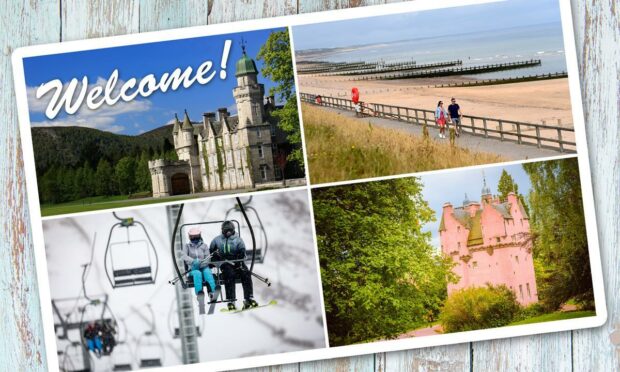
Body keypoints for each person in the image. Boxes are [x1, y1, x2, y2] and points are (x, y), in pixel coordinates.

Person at [210, 221, 258, 311]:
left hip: (237, 262)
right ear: (222, 231)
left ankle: (248, 298)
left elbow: (243, 251)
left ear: (233, 230)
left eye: (230, 230)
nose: (228, 232)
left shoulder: (238, 240)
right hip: (225, 263)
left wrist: (239, 257)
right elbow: (211, 253)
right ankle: (231, 300)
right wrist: (216, 257)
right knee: (229, 274)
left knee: (246, 273)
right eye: (226, 230)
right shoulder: (217, 240)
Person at [181, 227, 217, 313]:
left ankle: (212, 292)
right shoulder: (187, 246)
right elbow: (184, 256)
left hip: (204, 266)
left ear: (200, 236)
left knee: (207, 272)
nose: (195, 239)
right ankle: (199, 294)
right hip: (192, 269)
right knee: (197, 274)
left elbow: (208, 258)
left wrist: (202, 264)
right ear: (190, 237)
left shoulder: (204, 246)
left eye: (196, 236)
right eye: (193, 237)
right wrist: (193, 261)